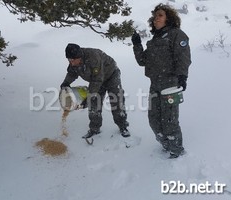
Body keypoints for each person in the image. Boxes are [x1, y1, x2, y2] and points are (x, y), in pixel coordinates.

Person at [131, 3, 191, 158]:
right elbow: (142, 61)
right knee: (154, 120)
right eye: (155, 15)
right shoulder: (153, 41)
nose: (156, 18)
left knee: (170, 121)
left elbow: (183, 57)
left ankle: (176, 151)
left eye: (160, 15)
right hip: (155, 85)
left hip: (171, 84)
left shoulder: (176, 34)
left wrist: (182, 77)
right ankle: (166, 145)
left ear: (168, 18)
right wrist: (137, 45)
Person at [60, 43, 130, 139]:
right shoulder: (74, 61)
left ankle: (123, 126)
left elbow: (97, 79)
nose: (71, 62)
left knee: (116, 100)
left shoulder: (93, 57)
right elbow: (72, 73)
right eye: (69, 60)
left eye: (72, 60)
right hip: (96, 80)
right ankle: (94, 128)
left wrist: (88, 96)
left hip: (111, 75)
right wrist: (66, 83)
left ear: (79, 57)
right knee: (94, 103)